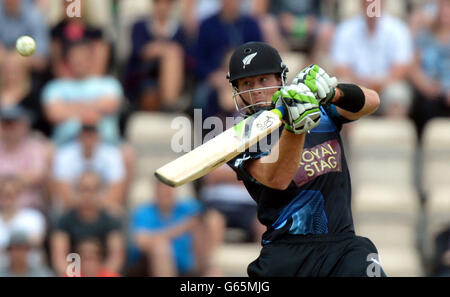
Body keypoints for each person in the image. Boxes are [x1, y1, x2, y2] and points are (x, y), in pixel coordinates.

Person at [225, 41, 385, 276]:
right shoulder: (241, 136)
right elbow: (278, 178)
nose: (257, 89)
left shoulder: (321, 110)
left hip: (342, 247)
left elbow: (372, 102)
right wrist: (296, 128)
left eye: (263, 80)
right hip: (286, 255)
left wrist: (333, 93)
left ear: (280, 78)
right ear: (237, 90)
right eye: (247, 83)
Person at [331, 0, 413, 118]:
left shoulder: (398, 29)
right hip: (357, 86)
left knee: (397, 94)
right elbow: (341, 67)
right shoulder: (345, 29)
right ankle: (346, 135)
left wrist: (380, 85)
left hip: (387, 86)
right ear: (361, 3)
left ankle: (394, 134)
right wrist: (362, 85)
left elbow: (402, 67)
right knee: (343, 91)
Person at [50, 171, 125, 277]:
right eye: (84, 189)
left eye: (93, 190)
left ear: (100, 192)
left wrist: (100, 274)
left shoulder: (111, 221)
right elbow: (59, 258)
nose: (88, 195)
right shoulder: (65, 221)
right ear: (77, 192)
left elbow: (116, 258)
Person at [128, 180, 205, 277]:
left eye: (169, 189)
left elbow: (206, 215)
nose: (166, 192)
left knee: (214, 272)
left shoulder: (188, 208)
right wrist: (181, 228)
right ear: (155, 191)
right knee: (161, 247)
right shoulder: (144, 212)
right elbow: (141, 242)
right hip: (148, 266)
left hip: (187, 264)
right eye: (162, 189)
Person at [52, 124, 126, 215]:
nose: (88, 141)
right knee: (59, 208)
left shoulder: (112, 155)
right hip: (74, 205)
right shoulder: (65, 155)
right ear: (78, 138)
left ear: (98, 138)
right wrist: (85, 201)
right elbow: (63, 193)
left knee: (115, 210)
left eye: (91, 136)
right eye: (85, 137)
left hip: (102, 204)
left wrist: (93, 202)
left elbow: (116, 193)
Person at [409, 0, 450, 140]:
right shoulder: (424, 36)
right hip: (430, 93)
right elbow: (413, 66)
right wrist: (425, 85)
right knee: (422, 106)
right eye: (443, 7)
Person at [0, 106, 49, 210]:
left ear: (24, 125)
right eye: (4, 123)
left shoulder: (35, 147)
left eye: (12, 123)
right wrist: (18, 180)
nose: (8, 128)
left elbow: (37, 176)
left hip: (28, 208)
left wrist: (6, 183)